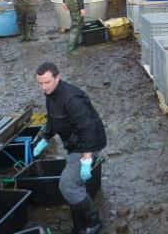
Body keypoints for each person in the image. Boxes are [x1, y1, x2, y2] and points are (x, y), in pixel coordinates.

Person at [33, 62, 106, 234]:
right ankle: (79, 226)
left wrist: (87, 158)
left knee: (67, 185)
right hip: (74, 143)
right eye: (40, 83)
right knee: (73, 183)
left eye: (47, 82)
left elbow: (87, 127)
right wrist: (44, 138)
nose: (44, 87)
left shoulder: (72, 98)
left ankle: (94, 222)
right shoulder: (51, 94)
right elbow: (53, 119)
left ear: (58, 77)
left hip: (88, 143)